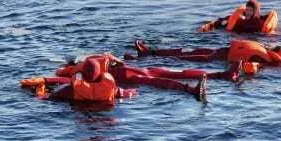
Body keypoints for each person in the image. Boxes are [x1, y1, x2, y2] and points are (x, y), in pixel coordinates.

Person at [55, 52, 226, 101]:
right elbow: (113, 58)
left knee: (158, 80)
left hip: (128, 77)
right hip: (131, 70)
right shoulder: (95, 59)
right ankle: (219, 75)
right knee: (167, 72)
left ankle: (191, 89)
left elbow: (60, 78)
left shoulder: (77, 71)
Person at [128, 38, 281, 72]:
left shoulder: (262, 59)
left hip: (218, 58)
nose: (270, 46)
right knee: (186, 50)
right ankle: (150, 52)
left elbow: (251, 67)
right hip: (219, 50)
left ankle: (146, 58)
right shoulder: (263, 50)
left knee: (185, 57)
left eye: (273, 48)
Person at [39, 57, 138, 107]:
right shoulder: (111, 89)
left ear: (83, 73)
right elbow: (131, 93)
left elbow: (48, 98)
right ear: (100, 73)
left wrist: (40, 91)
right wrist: (134, 92)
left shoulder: (70, 90)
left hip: (79, 107)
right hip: (103, 111)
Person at [198, 0, 279, 34]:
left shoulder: (260, 23)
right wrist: (209, 25)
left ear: (255, 12)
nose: (248, 12)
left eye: (250, 10)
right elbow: (223, 21)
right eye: (247, 10)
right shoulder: (238, 18)